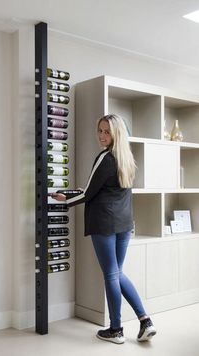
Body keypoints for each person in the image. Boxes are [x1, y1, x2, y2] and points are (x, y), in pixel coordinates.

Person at [50, 114, 157, 344]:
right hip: (124, 224)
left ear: (116, 133)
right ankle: (145, 320)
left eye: (106, 131)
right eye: (99, 130)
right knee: (116, 273)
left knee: (111, 275)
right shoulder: (127, 158)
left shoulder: (105, 157)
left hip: (105, 224)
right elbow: (104, 189)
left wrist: (65, 199)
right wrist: (79, 192)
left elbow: (88, 193)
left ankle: (116, 330)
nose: (101, 135)